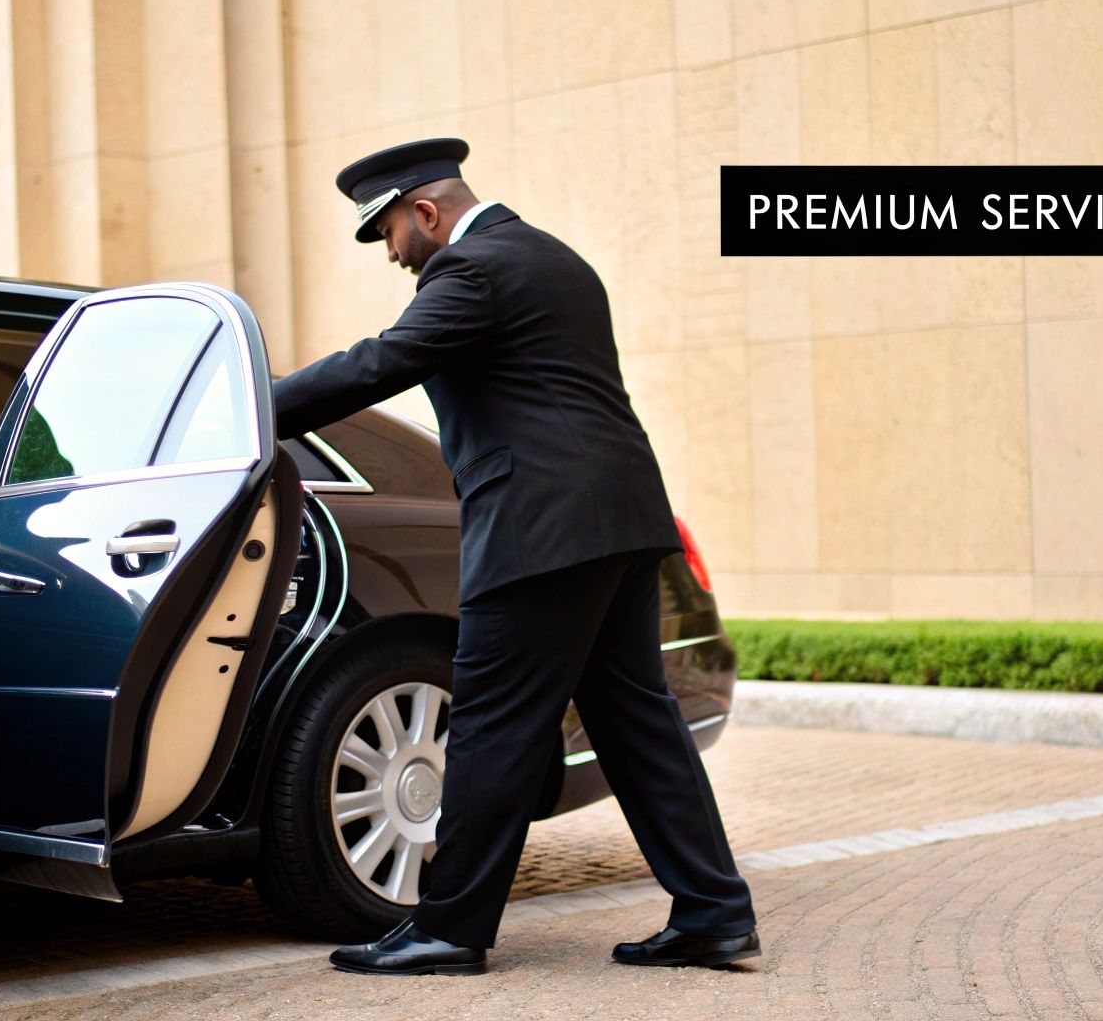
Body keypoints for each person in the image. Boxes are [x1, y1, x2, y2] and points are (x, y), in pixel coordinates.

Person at [273, 138, 758, 976]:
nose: (391, 253)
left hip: (539, 532)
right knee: (639, 724)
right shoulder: (553, 257)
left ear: (425, 213)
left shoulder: (471, 272)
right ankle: (714, 911)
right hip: (621, 522)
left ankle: (449, 927)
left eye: (388, 232)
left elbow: (381, 362)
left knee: (494, 725)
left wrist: (252, 408)